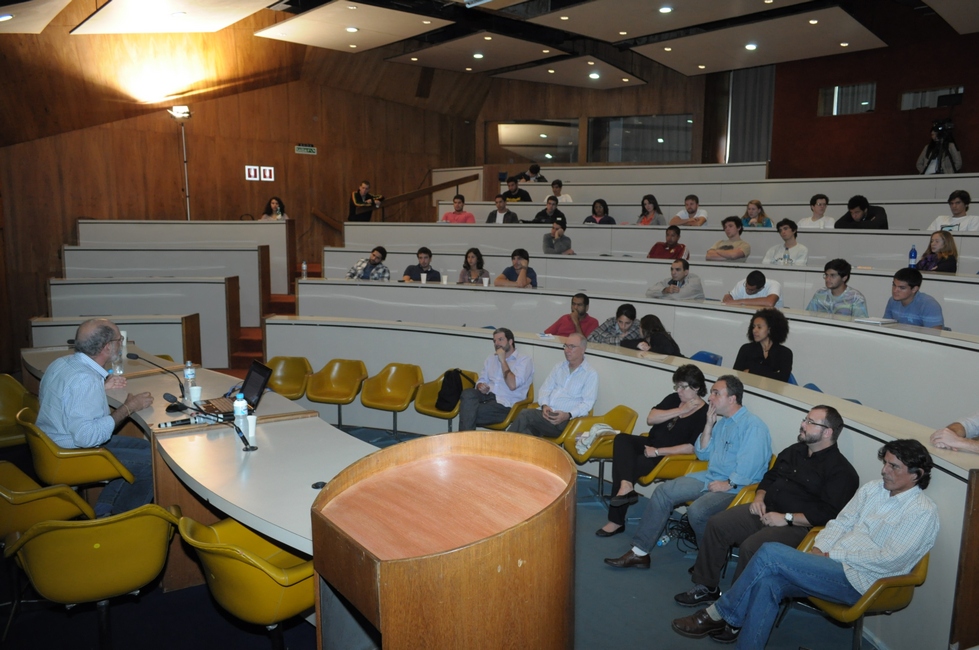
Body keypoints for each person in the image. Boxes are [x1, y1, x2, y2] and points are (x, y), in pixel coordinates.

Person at [672, 439, 938, 647]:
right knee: (768, 583)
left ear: (917, 475)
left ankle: (719, 612)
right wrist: (821, 548)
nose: (885, 471)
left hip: (864, 581)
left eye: (894, 467)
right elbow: (841, 522)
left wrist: (833, 554)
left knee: (769, 553)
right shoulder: (873, 489)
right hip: (830, 563)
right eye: (886, 463)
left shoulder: (921, 511)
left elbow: (890, 559)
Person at [674, 405, 859, 608]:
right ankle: (706, 587)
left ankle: (734, 607)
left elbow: (828, 514)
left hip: (798, 527)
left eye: (810, 422)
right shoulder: (794, 451)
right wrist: (759, 498)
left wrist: (787, 517)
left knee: (752, 548)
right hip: (765, 509)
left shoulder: (842, 472)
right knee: (717, 524)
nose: (803, 425)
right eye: (805, 419)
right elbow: (770, 477)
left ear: (828, 432)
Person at [604, 375, 771, 569]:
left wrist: (729, 484)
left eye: (716, 393)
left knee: (697, 511)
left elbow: (752, 465)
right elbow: (702, 453)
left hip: (738, 487)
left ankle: (709, 557)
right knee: (663, 492)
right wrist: (708, 426)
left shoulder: (753, 426)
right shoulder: (722, 423)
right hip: (710, 477)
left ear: (732, 398)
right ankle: (640, 552)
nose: (710, 398)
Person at [35, 319, 154, 517]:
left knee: (147, 450)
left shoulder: (63, 363)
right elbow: (87, 438)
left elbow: (70, 398)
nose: (121, 341)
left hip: (51, 444)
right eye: (119, 339)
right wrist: (128, 407)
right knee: (151, 465)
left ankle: (103, 509)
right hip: (69, 452)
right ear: (108, 347)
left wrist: (99, 388)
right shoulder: (85, 380)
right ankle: (120, 522)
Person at [595, 365, 709, 537]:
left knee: (629, 464)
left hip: (667, 457)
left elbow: (691, 447)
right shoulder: (674, 399)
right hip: (650, 442)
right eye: (677, 386)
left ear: (697, 387)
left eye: (683, 387)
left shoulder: (704, 413)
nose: (678, 391)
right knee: (622, 440)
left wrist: (658, 451)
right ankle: (626, 486)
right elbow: (651, 418)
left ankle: (616, 521)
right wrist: (680, 410)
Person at [508, 333, 598, 438]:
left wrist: (568, 415)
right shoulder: (559, 367)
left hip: (567, 422)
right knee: (527, 431)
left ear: (583, 349)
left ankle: (500, 445)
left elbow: (587, 404)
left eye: (572, 346)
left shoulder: (590, 374)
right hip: (547, 414)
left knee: (525, 415)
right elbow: (545, 389)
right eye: (566, 346)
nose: (567, 350)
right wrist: (545, 405)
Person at [458, 328, 534, 431]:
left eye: (500, 339)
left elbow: (512, 385)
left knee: (468, 411)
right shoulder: (491, 358)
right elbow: (482, 379)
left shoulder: (524, 360)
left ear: (510, 341)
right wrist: (480, 386)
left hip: (506, 404)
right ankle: (467, 442)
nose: (496, 343)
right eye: (494, 341)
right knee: (467, 393)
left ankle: (464, 442)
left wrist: (503, 361)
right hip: (488, 395)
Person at [733, 308, 793, 382]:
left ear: (770, 329)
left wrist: (751, 371)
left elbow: (783, 379)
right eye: (753, 327)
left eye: (759, 327)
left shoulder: (785, 353)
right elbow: (735, 377)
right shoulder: (746, 349)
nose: (754, 330)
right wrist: (773, 373)